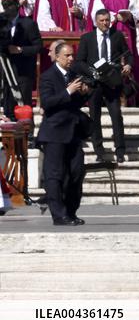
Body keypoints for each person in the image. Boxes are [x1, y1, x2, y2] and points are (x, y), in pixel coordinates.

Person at [37, 42, 92, 226]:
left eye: (72, 56)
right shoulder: (48, 77)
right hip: (54, 132)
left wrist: (84, 93)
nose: (71, 59)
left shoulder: (74, 76)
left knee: (77, 171)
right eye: (67, 56)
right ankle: (59, 215)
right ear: (58, 56)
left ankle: (70, 211)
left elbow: (75, 103)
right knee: (54, 175)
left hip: (73, 131)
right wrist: (68, 91)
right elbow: (48, 102)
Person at [77, 8, 133, 162]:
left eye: (107, 20)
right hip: (94, 83)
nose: (105, 23)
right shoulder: (87, 38)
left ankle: (120, 150)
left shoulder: (117, 36)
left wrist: (128, 65)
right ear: (96, 22)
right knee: (94, 117)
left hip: (112, 82)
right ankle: (99, 151)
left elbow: (127, 54)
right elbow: (79, 61)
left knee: (116, 116)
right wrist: (92, 71)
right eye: (101, 20)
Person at [3, 0, 42, 110]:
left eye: (10, 6)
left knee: (24, 109)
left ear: (17, 6)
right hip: (5, 72)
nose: (7, 10)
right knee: (7, 109)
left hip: (23, 73)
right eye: (5, 7)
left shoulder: (29, 24)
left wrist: (20, 50)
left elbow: (38, 47)